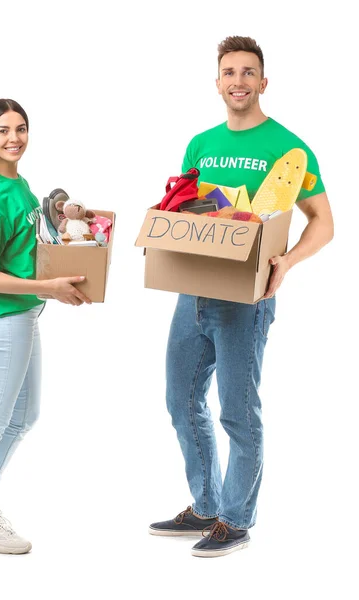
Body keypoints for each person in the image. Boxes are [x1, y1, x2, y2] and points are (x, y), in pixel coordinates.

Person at [149, 37, 334, 558]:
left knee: (237, 412)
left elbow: (325, 222)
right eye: (229, 72)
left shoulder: (288, 149)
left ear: (263, 82)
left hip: (246, 301)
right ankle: (207, 504)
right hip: (193, 294)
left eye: (248, 72)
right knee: (181, 402)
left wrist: (287, 261)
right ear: (217, 83)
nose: (238, 81)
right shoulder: (200, 144)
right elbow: (184, 210)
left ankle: (236, 519)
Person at [0, 98, 91, 554]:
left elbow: (35, 230)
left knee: (24, 416)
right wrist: (49, 286)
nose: (14, 138)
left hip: (25, 313)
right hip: (4, 317)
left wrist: (65, 215)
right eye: (4, 130)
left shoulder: (21, 185)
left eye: (22, 128)